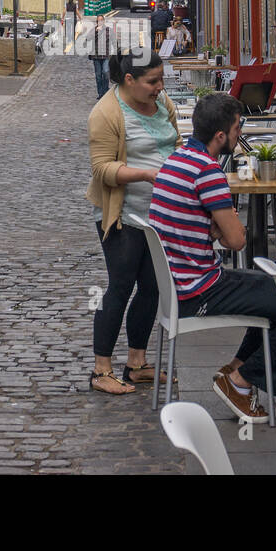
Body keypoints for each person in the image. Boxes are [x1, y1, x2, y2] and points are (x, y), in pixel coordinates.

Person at [150, 92, 276, 422]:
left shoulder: (174, 162)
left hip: (179, 285)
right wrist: (224, 227)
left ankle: (236, 371)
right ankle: (242, 381)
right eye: (237, 129)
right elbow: (237, 241)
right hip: (201, 289)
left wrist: (215, 227)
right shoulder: (207, 172)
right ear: (221, 135)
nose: (240, 135)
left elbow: (192, 225)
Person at [85, 51, 180, 395]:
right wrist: (146, 174)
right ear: (129, 80)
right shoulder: (106, 113)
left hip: (159, 213)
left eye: (161, 79)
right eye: (152, 81)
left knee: (153, 285)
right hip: (123, 213)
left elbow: (175, 141)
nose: (160, 87)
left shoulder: (162, 101)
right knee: (121, 285)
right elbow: (102, 169)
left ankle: (137, 362)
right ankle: (101, 370)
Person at [88, 13, 111, 99]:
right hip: (96, 56)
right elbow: (88, 38)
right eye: (98, 21)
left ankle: (105, 91)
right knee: (98, 75)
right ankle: (100, 93)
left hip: (105, 56)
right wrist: (96, 32)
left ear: (104, 21)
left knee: (105, 72)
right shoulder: (94, 30)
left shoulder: (108, 30)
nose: (100, 22)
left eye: (101, 20)